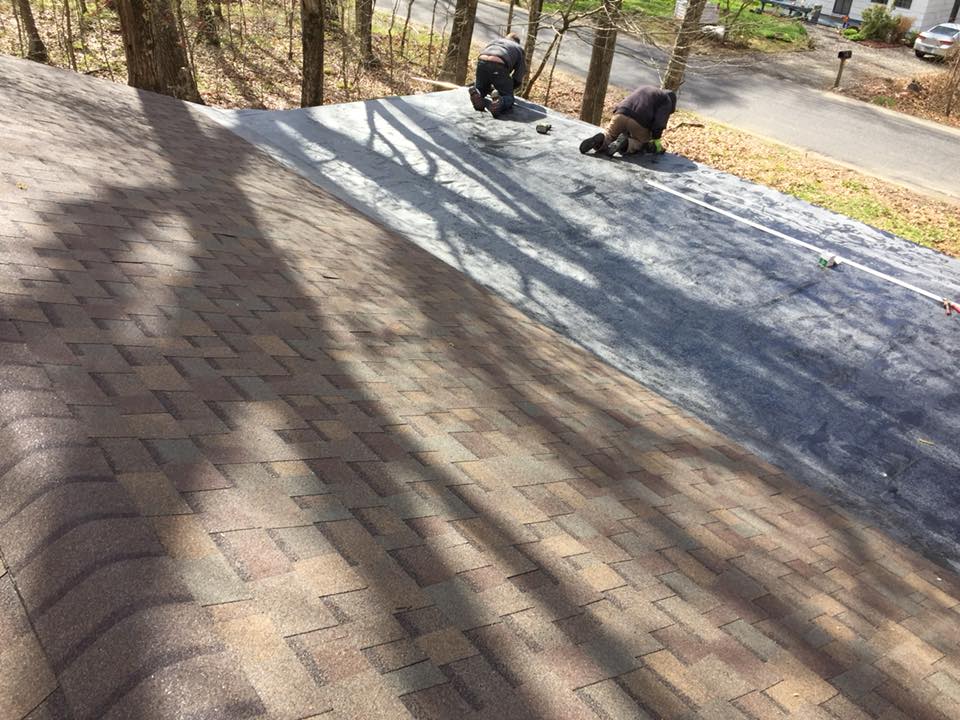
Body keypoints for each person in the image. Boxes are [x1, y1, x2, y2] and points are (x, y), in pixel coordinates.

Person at [579, 86, 678, 157]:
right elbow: (659, 124)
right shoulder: (667, 100)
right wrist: (656, 141)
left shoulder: (645, 89)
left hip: (621, 113)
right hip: (639, 121)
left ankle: (600, 140)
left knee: (610, 135)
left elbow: (625, 102)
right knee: (641, 143)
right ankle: (626, 143)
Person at [469, 33, 526, 118]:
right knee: (508, 97)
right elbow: (519, 74)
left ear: (506, 38)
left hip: (482, 61)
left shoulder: (495, 41)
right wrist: (511, 87)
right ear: (517, 42)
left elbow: (485, 54)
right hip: (499, 64)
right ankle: (499, 103)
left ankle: (478, 94)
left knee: (481, 88)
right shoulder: (518, 48)